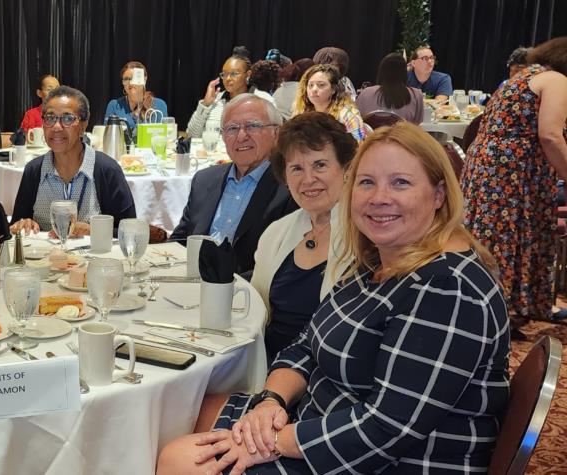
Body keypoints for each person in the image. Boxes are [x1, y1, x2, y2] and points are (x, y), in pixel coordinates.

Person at [158, 123, 510, 474]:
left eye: (400, 182)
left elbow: (387, 428)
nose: (379, 197)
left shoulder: (447, 288)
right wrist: (270, 402)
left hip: (390, 460)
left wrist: (271, 442)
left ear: (439, 195)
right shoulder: (377, 260)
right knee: (178, 410)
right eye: (367, 182)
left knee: (180, 458)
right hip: (320, 414)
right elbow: (307, 343)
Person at [463, 36, 567, 337]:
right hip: (512, 170)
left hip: (490, 165)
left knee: (494, 236)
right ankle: (501, 313)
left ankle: (495, 307)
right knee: (509, 237)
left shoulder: (523, 77)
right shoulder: (557, 80)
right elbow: (550, 135)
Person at [249, 112, 357, 361]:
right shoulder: (276, 232)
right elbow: (254, 312)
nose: (308, 179)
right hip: (263, 367)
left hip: (324, 376)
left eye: (320, 165)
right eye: (296, 168)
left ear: (345, 169)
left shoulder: (364, 236)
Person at [171, 95, 297, 276]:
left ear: (276, 132)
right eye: (232, 128)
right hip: (190, 287)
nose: (241, 136)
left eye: (253, 126)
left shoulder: (290, 188)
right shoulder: (204, 180)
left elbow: (282, 267)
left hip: (246, 294)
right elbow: (181, 241)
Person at [10, 86, 136, 236]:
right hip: (47, 257)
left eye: (68, 119)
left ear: (83, 125)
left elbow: (131, 232)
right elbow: (17, 225)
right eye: (50, 118)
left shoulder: (106, 170)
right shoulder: (34, 170)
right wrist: (24, 224)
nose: (56, 127)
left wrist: (93, 231)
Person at [187, 49, 277, 138]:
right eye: (224, 74)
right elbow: (192, 134)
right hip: (214, 151)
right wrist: (205, 104)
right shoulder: (216, 100)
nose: (228, 78)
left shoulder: (263, 99)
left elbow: (274, 135)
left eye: (234, 74)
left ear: (248, 74)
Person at [294, 64, 369, 141]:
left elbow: (359, 146)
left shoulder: (348, 116)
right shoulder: (302, 113)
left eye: (321, 85)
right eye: (310, 85)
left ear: (333, 89)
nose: (314, 89)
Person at [356, 53, 426, 124]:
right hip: (401, 134)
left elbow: (357, 120)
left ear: (381, 71)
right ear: (404, 73)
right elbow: (416, 125)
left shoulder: (366, 93)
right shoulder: (416, 95)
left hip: (372, 135)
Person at [104, 60, 171, 131]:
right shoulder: (114, 105)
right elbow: (108, 135)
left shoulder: (159, 105)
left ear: (144, 80)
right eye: (126, 79)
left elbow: (161, 136)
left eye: (134, 78)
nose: (130, 83)